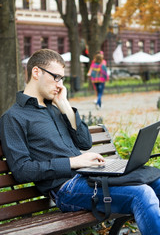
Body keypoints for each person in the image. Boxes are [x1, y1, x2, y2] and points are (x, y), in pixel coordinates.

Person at [0, 49, 160, 235]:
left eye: (62, 79)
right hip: (65, 189)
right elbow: (22, 170)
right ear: (36, 72)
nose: (59, 84)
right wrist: (73, 162)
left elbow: (85, 142)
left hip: (90, 176)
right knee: (141, 194)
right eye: (56, 77)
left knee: (157, 181)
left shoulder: (55, 108)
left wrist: (65, 105)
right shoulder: (13, 117)